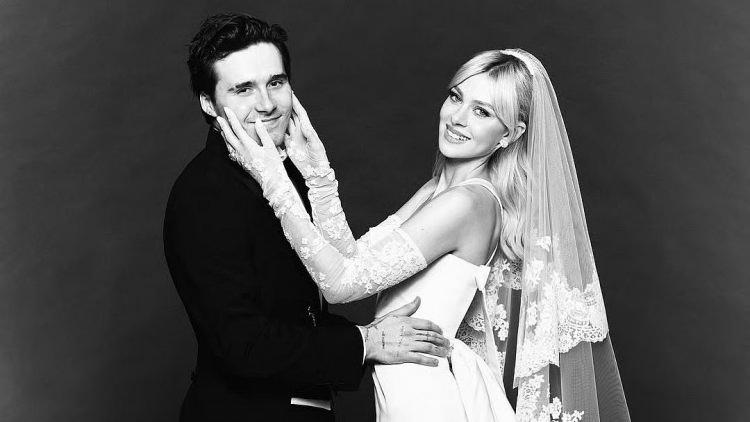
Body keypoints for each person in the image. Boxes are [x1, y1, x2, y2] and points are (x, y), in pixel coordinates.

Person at [221, 47, 632, 422]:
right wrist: (317, 175)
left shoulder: (468, 203)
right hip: (406, 386)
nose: (457, 118)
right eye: (456, 97)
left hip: (424, 394)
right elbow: (351, 259)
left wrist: (275, 182)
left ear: (510, 135)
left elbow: (339, 286)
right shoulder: (438, 190)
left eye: (483, 112)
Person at [163, 13, 451, 422]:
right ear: (209, 103)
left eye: (275, 83)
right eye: (243, 89)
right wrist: (365, 342)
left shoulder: (286, 171)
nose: (266, 104)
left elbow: (298, 311)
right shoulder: (203, 195)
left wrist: (371, 336)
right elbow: (244, 345)